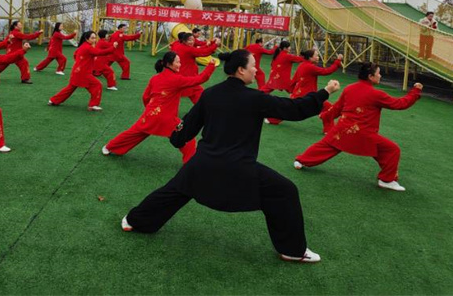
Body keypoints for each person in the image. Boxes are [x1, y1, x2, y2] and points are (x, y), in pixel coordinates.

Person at [120, 49, 340, 263]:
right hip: (238, 168)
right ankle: (292, 250)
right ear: (241, 70)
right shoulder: (256, 98)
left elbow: (184, 131)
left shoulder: (210, 94)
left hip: (202, 164)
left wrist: (177, 137)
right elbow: (295, 108)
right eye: (253, 66)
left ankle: (134, 221)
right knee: (285, 191)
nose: (256, 70)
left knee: (175, 190)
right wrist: (325, 92)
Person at [294, 62, 422, 192]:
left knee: (325, 146)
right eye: (378, 73)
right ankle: (386, 180)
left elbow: (337, 108)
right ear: (370, 76)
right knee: (392, 150)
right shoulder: (376, 94)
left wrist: (325, 115)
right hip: (364, 134)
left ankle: (301, 161)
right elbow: (399, 104)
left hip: (342, 130)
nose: (380, 76)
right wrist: (415, 91)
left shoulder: (349, 88)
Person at [103, 52, 216, 163]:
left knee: (134, 133)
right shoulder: (177, 80)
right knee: (187, 139)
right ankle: (190, 164)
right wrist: (211, 65)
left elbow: (145, 97)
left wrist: (150, 110)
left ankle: (109, 147)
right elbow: (200, 79)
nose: (180, 64)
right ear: (169, 64)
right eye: (177, 62)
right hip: (167, 120)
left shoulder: (155, 78)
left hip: (150, 115)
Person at [268, 49, 343, 129]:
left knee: (290, 111)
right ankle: (329, 128)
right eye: (316, 56)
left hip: (299, 94)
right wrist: (337, 61)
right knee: (329, 109)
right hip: (308, 96)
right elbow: (327, 71)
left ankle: (272, 119)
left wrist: (291, 90)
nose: (318, 57)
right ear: (310, 58)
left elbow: (294, 79)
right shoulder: (310, 67)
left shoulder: (302, 65)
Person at [48, 31, 117, 111]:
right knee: (97, 85)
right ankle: (93, 105)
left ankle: (53, 100)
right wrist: (113, 47)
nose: (94, 40)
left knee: (70, 88)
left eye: (95, 38)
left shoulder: (83, 46)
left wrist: (80, 62)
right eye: (92, 38)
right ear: (86, 39)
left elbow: (75, 54)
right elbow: (100, 52)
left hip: (77, 71)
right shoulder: (88, 47)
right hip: (83, 73)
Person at [170, 32, 220, 104]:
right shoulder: (188, 49)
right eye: (190, 40)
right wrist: (215, 45)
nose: (192, 42)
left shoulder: (177, 45)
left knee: (198, 95)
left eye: (193, 40)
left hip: (181, 76)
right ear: (184, 40)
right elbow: (203, 52)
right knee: (199, 95)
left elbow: (198, 50)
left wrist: (211, 44)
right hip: (188, 77)